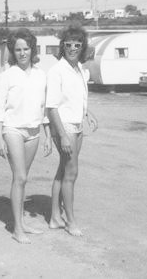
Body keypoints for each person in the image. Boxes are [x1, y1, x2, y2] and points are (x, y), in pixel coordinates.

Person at [0, 28, 52, 244]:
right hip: (13, 130)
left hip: (33, 131)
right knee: (20, 177)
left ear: (32, 49)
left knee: (23, 179)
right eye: (18, 49)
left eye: (26, 48)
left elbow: (43, 107)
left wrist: (47, 135)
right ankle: (17, 229)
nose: (23, 53)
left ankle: (22, 222)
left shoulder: (41, 75)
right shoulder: (7, 75)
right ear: (13, 51)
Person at [46, 24, 98, 236]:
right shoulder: (57, 71)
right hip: (64, 126)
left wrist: (87, 112)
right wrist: (63, 136)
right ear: (63, 46)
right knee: (72, 173)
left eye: (77, 44)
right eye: (68, 44)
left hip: (76, 125)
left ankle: (54, 218)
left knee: (63, 171)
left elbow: (76, 98)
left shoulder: (78, 69)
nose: (73, 48)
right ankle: (71, 221)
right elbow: (52, 106)